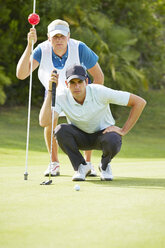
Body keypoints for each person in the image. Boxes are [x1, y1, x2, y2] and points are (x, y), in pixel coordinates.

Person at [16, 19, 104, 177]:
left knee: (85, 122)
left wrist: (90, 98)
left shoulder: (79, 48)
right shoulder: (41, 50)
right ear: (49, 38)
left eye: (62, 36)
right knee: (49, 123)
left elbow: (99, 76)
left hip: (78, 89)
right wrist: (30, 45)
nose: (59, 40)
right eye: (55, 37)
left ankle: (87, 163)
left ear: (68, 36)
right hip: (53, 90)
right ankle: (54, 163)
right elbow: (21, 74)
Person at [39, 65, 146, 181]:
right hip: (80, 137)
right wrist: (50, 91)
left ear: (86, 81)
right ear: (66, 83)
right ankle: (81, 166)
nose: (77, 86)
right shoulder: (62, 97)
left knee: (114, 138)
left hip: (103, 135)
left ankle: (104, 166)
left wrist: (123, 130)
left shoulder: (99, 91)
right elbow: (44, 122)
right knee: (60, 130)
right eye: (72, 82)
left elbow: (139, 102)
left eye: (80, 81)